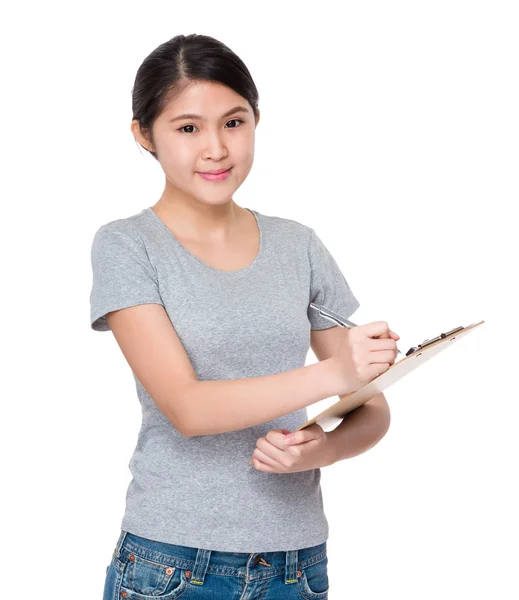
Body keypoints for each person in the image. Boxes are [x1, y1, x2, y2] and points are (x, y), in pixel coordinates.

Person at [91, 33, 399, 600]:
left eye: (233, 122)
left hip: (296, 565)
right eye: (187, 128)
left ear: (256, 120)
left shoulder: (298, 246)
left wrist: (321, 448)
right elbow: (187, 407)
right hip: (172, 563)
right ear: (144, 135)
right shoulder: (128, 246)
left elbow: (372, 408)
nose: (216, 149)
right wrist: (334, 375)